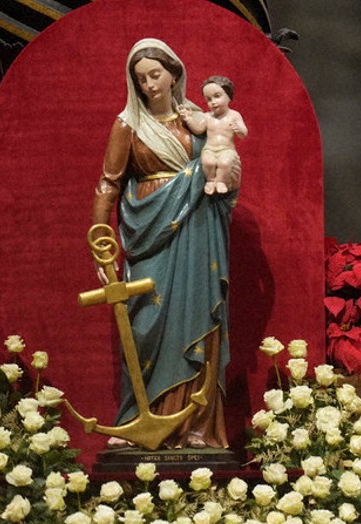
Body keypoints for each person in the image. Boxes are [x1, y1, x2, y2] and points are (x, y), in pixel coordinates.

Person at [91, 38, 231, 449]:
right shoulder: (128, 125)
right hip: (149, 234)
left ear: (173, 73)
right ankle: (140, 420)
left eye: (155, 75)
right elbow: (108, 183)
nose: (150, 84)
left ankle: (197, 428)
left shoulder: (196, 121)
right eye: (141, 79)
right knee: (145, 327)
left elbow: (222, 166)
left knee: (199, 321)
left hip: (198, 231)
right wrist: (100, 242)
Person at [184, 75, 246, 195]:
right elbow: (198, 129)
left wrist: (239, 129)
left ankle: (221, 181)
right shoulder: (207, 117)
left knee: (225, 162)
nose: (213, 102)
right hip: (209, 149)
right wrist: (189, 119)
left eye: (217, 96)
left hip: (227, 149)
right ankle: (211, 180)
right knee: (207, 162)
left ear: (229, 96)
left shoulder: (234, 115)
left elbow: (243, 134)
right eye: (209, 99)